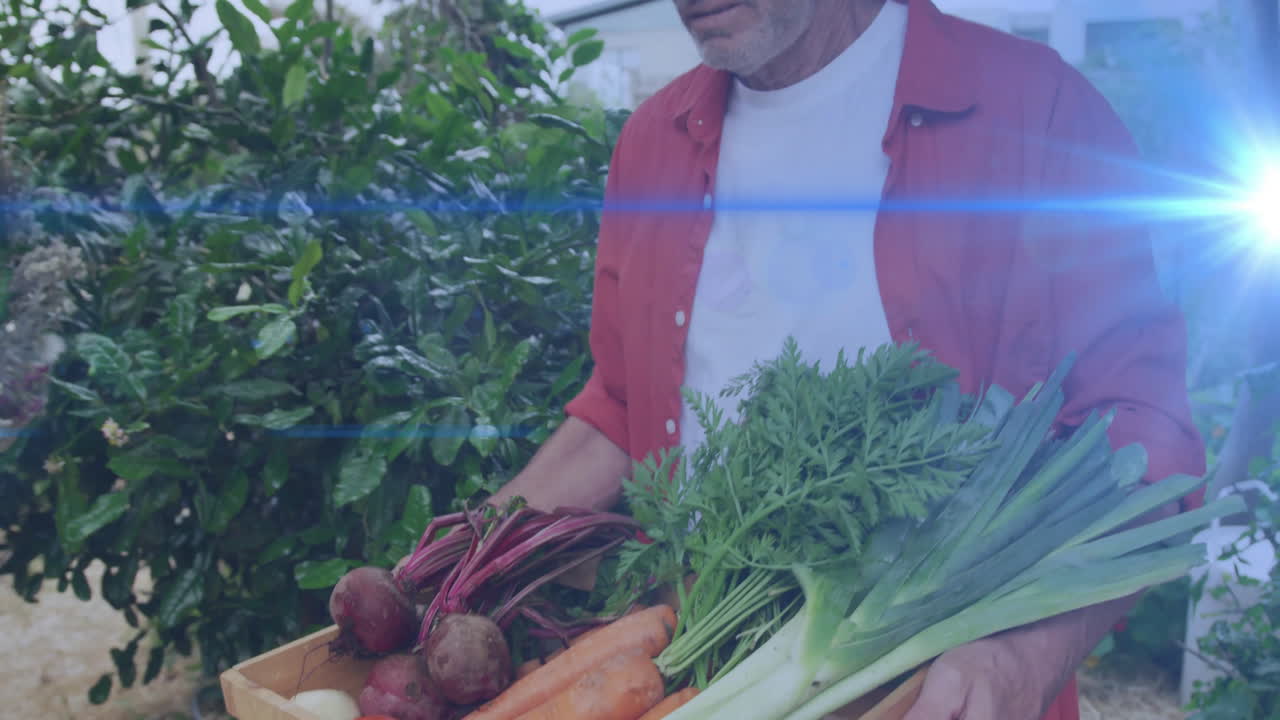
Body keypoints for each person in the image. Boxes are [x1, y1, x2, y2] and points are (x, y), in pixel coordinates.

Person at [484, 1, 1208, 718]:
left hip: (926, 693)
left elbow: (1142, 435)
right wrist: (467, 561)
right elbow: (620, 408)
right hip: (689, 676)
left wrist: (1022, 655)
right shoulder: (653, 142)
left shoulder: (1036, 113)